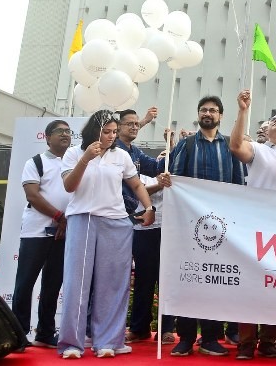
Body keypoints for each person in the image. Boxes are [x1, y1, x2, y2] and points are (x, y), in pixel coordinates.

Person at [57, 110, 155, 359]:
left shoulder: (121, 155)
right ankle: (71, 343)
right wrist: (86, 159)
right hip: (82, 218)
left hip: (116, 222)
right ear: (94, 131)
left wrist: (149, 208)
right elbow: (69, 186)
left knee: (113, 283)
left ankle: (108, 341)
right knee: (77, 282)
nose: (112, 136)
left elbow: (136, 184)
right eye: (107, 131)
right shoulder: (74, 153)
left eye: (114, 132)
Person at [165, 96, 247, 357]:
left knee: (214, 279)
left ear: (220, 116)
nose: (207, 113)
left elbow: (239, 185)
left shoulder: (231, 147)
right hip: (189, 227)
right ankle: (186, 338)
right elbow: (175, 181)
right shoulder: (186, 145)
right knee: (188, 279)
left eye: (212, 110)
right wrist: (167, 181)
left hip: (221, 227)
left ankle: (210, 338)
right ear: (198, 114)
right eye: (203, 110)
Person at [229, 90, 276, 360]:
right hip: (254, 229)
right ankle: (246, 343)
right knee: (250, 286)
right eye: (273, 119)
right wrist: (243, 110)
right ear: (265, 130)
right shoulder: (257, 150)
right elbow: (235, 146)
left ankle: (269, 340)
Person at [113, 109, 175, 346]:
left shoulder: (136, 153)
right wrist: (157, 185)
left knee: (164, 279)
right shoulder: (112, 150)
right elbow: (137, 188)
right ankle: (137, 328)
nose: (134, 127)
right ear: (117, 128)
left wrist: (171, 147)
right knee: (140, 280)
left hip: (158, 228)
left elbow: (158, 167)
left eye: (136, 124)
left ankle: (165, 328)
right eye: (129, 124)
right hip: (124, 221)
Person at [12, 120, 72, 349]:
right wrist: (58, 216)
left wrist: (66, 221)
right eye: (60, 131)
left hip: (63, 233)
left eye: (68, 131)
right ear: (47, 138)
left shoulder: (73, 163)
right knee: (25, 283)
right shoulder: (35, 162)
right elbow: (33, 196)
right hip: (36, 232)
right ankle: (19, 334)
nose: (65, 135)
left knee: (52, 285)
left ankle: (45, 333)